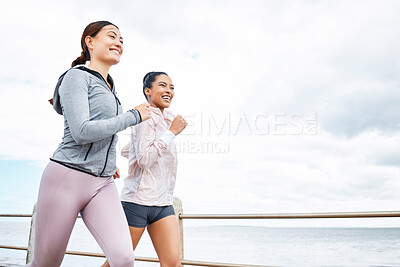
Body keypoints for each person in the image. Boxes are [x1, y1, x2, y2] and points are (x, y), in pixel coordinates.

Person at [26, 21, 151, 267]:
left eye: (122, 40)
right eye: (112, 36)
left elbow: (105, 132)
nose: (119, 42)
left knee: (124, 258)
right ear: (90, 41)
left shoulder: (111, 88)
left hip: (102, 183)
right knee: (46, 264)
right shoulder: (75, 77)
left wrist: (107, 159)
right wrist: (133, 116)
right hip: (66, 177)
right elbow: (82, 132)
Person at [101, 72, 187, 267]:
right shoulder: (144, 116)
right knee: (117, 263)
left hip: (163, 203)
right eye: (163, 85)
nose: (168, 91)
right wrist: (171, 133)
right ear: (148, 91)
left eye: (172, 87)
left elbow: (131, 150)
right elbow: (144, 159)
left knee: (173, 264)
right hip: (137, 203)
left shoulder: (168, 119)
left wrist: (137, 150)